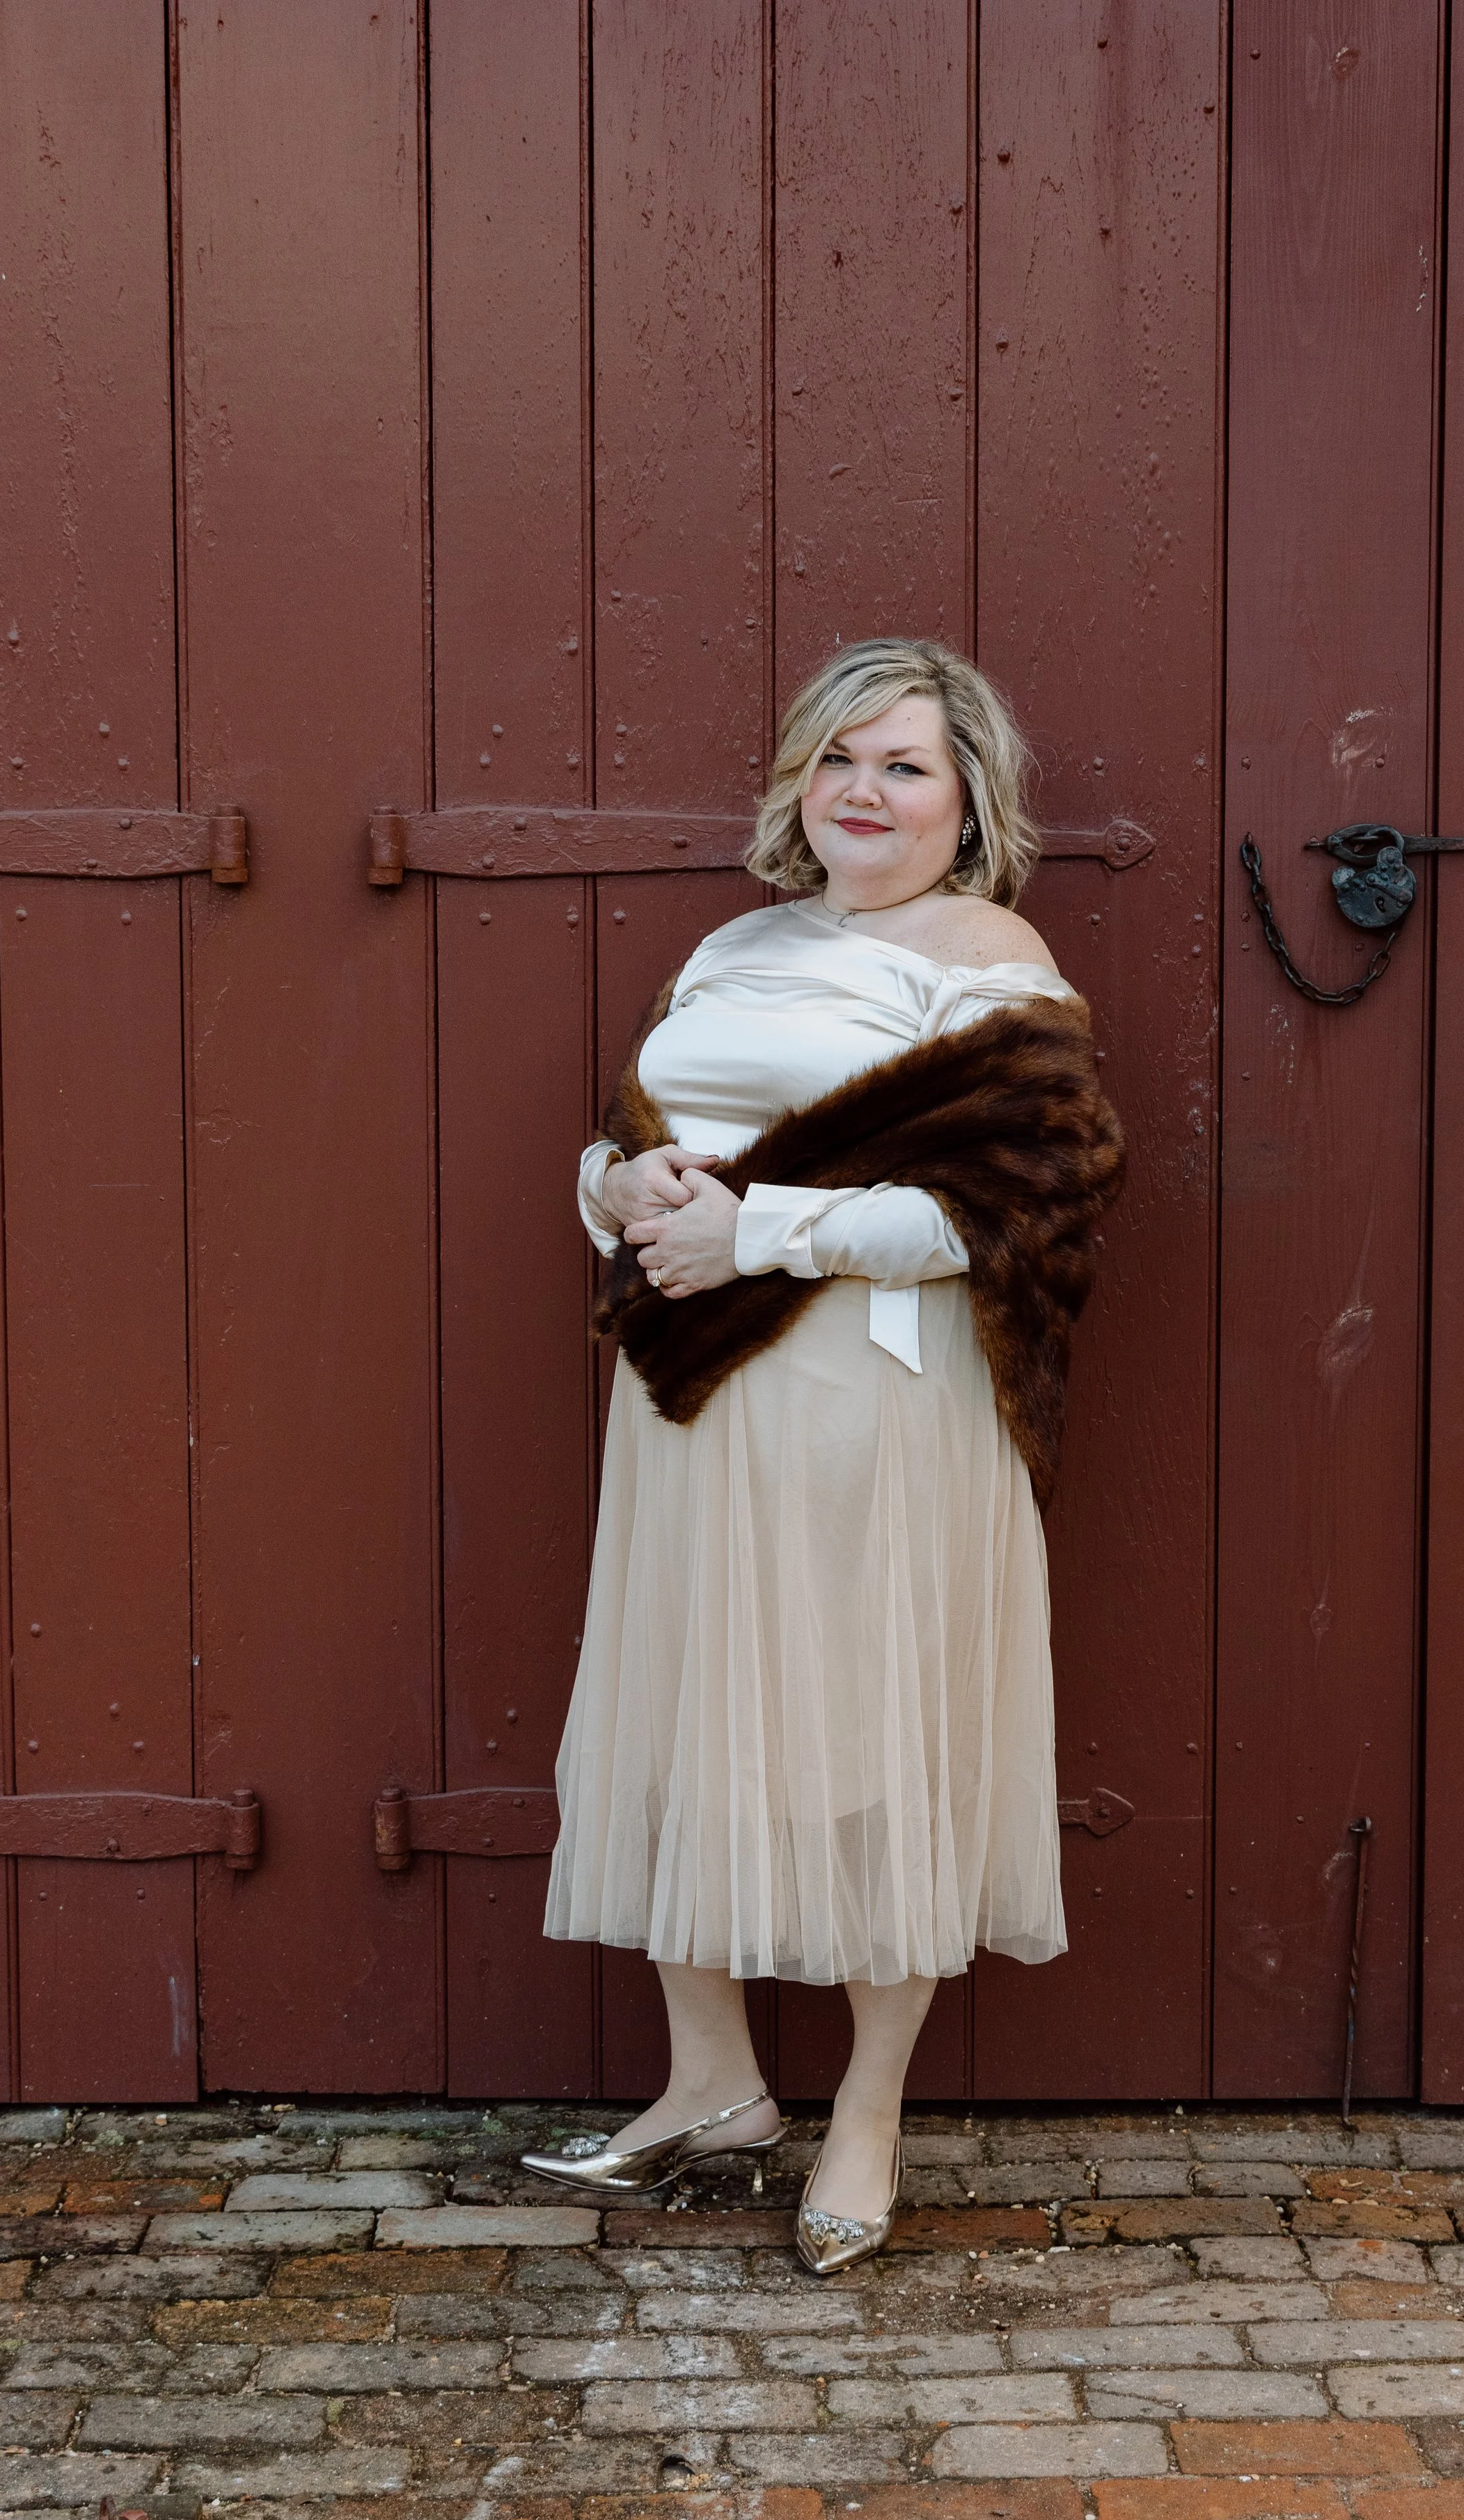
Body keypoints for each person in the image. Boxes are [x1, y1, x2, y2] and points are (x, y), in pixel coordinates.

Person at [522, 638, 1122, 2272]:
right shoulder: (732, 944)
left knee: (872, 1738)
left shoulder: (985, 953)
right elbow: (651, 1143)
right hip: (693, 1405)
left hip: (875, 1410)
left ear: (966, 801)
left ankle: (865, 2111)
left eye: (903, 765)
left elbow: (1017, 1204)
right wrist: (609, 1188)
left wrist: (761, 1230)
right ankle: (710, 2085)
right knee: (687, 1711)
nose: (862, 790)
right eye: (837, 757)